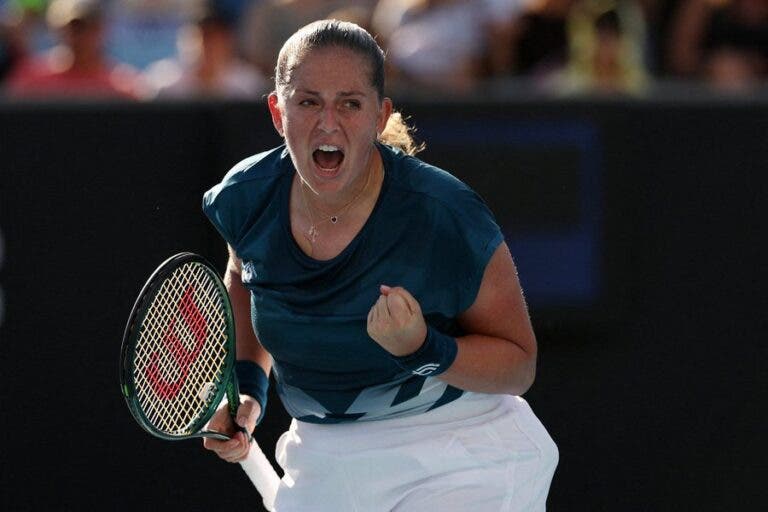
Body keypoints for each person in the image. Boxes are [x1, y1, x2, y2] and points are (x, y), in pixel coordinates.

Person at [201, 19, 558, 511]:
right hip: (323, 459)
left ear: (379, 114)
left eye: (350, 103)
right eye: (307, 102)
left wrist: (423, 348)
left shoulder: (444, 213)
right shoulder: (246, 197)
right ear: (277, 113)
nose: (328, 123)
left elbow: (519, 365)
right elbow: (245, 281)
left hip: (461, 455)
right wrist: (247, 390)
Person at [4, 0, 139, 99]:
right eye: (72, 28)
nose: (79, 36)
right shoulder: (30, 78)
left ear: (101, 30)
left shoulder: (123, 85)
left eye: (87, 27)